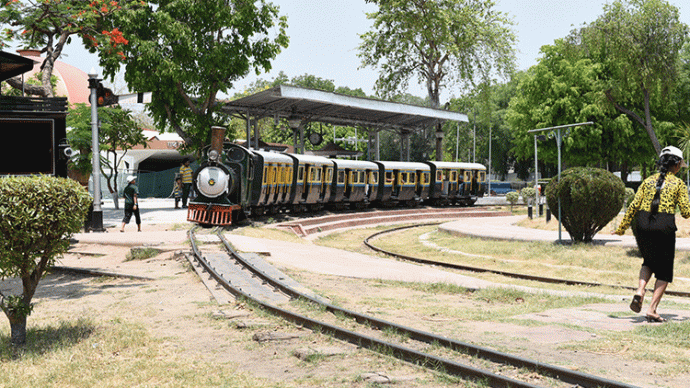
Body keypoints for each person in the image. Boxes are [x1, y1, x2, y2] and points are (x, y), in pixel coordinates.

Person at [614, 146, 690, 322]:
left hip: (642, 224)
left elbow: (633, 206)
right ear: (677, 164)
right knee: (664, 271)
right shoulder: (678, 184)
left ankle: (640, 291)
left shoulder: (647, 181)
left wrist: (621, 228)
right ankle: (652, 309)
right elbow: (686, 212)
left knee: (648, 261)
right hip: (663, 226)